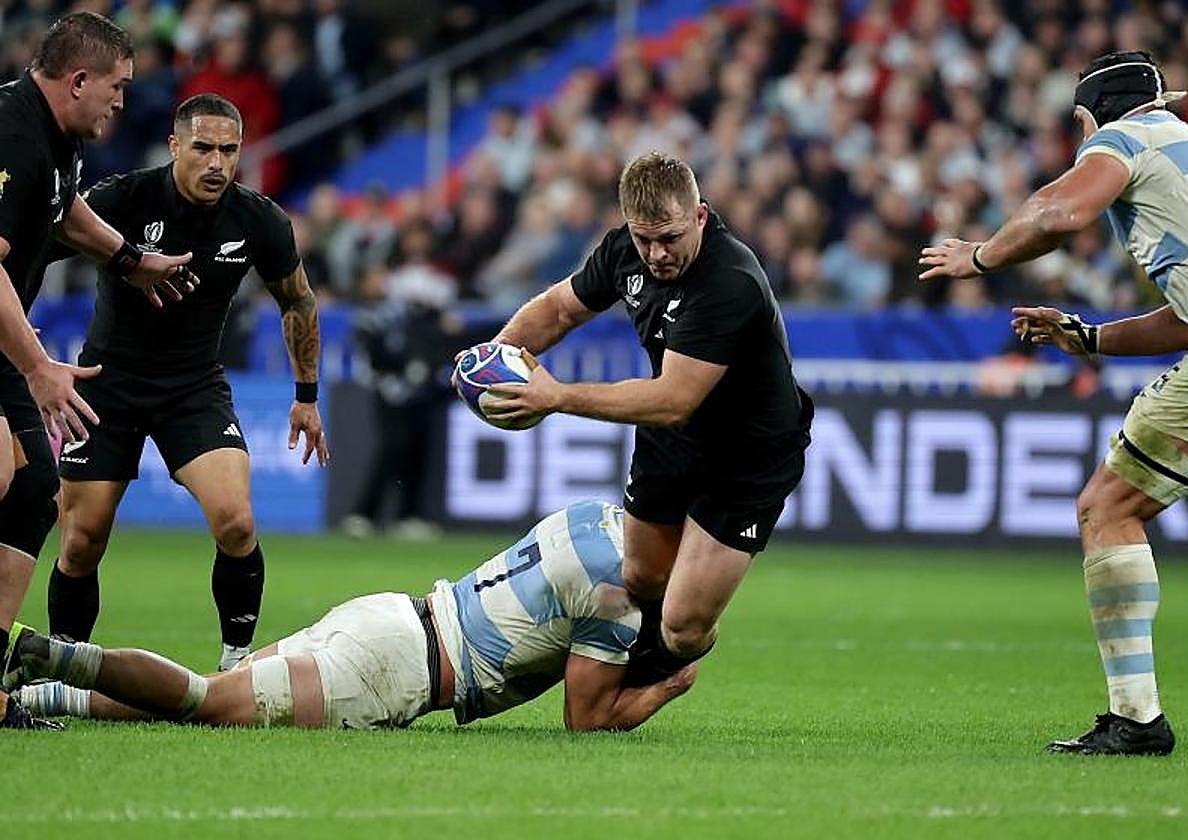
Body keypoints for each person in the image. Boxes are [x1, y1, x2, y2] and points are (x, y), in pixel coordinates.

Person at [919, 50, 1188, 756]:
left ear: (1087, 117)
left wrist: (979, 258)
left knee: (1110, 507)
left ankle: (1135, 718)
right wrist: (1092, 339)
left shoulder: (1122, 138)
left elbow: (1059, 210)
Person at [461, 151, 813, 686]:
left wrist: (557, 396)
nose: (656, 253)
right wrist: (489, 359)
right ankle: (624, 679)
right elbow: (558, 310)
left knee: (683, 626)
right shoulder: (626, 250)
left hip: (750, 455)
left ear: (700, 216)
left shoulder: (729, 280)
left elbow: (674, 398)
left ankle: (669, 673)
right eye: (645, 238)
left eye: (670, 238)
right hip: (674, 438)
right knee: (641, 576)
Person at [47, 92, 329, 673]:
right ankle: (64, 671)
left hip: (193, 388)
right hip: (106, 385)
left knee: (237, 521)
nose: (217, 163)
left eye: (229, 150)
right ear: (175, 146)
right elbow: (31, 251)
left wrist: (306, 396)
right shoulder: (121, 199)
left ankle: (235, 664)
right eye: (203, 147)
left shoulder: (258, 219)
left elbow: (297, 300)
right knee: (80, 541)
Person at [9, 501, 696, 731]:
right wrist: (666, 683)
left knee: (206, 701)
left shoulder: (592, 516)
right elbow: (586, 719)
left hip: (390, 614)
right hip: (394, 672)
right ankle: (40, 649)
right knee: (203, 700)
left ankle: (32, 694)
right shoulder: (617, 592)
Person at [0, 12, 198, 729]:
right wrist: (38, 369)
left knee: (32, 491)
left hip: (1, 341)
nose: (122, 101)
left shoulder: (58, 139)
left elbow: (65, 213)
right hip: (6, 342)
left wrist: (128, 258)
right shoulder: (13, 135)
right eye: (115, 87)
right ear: (77, 80)